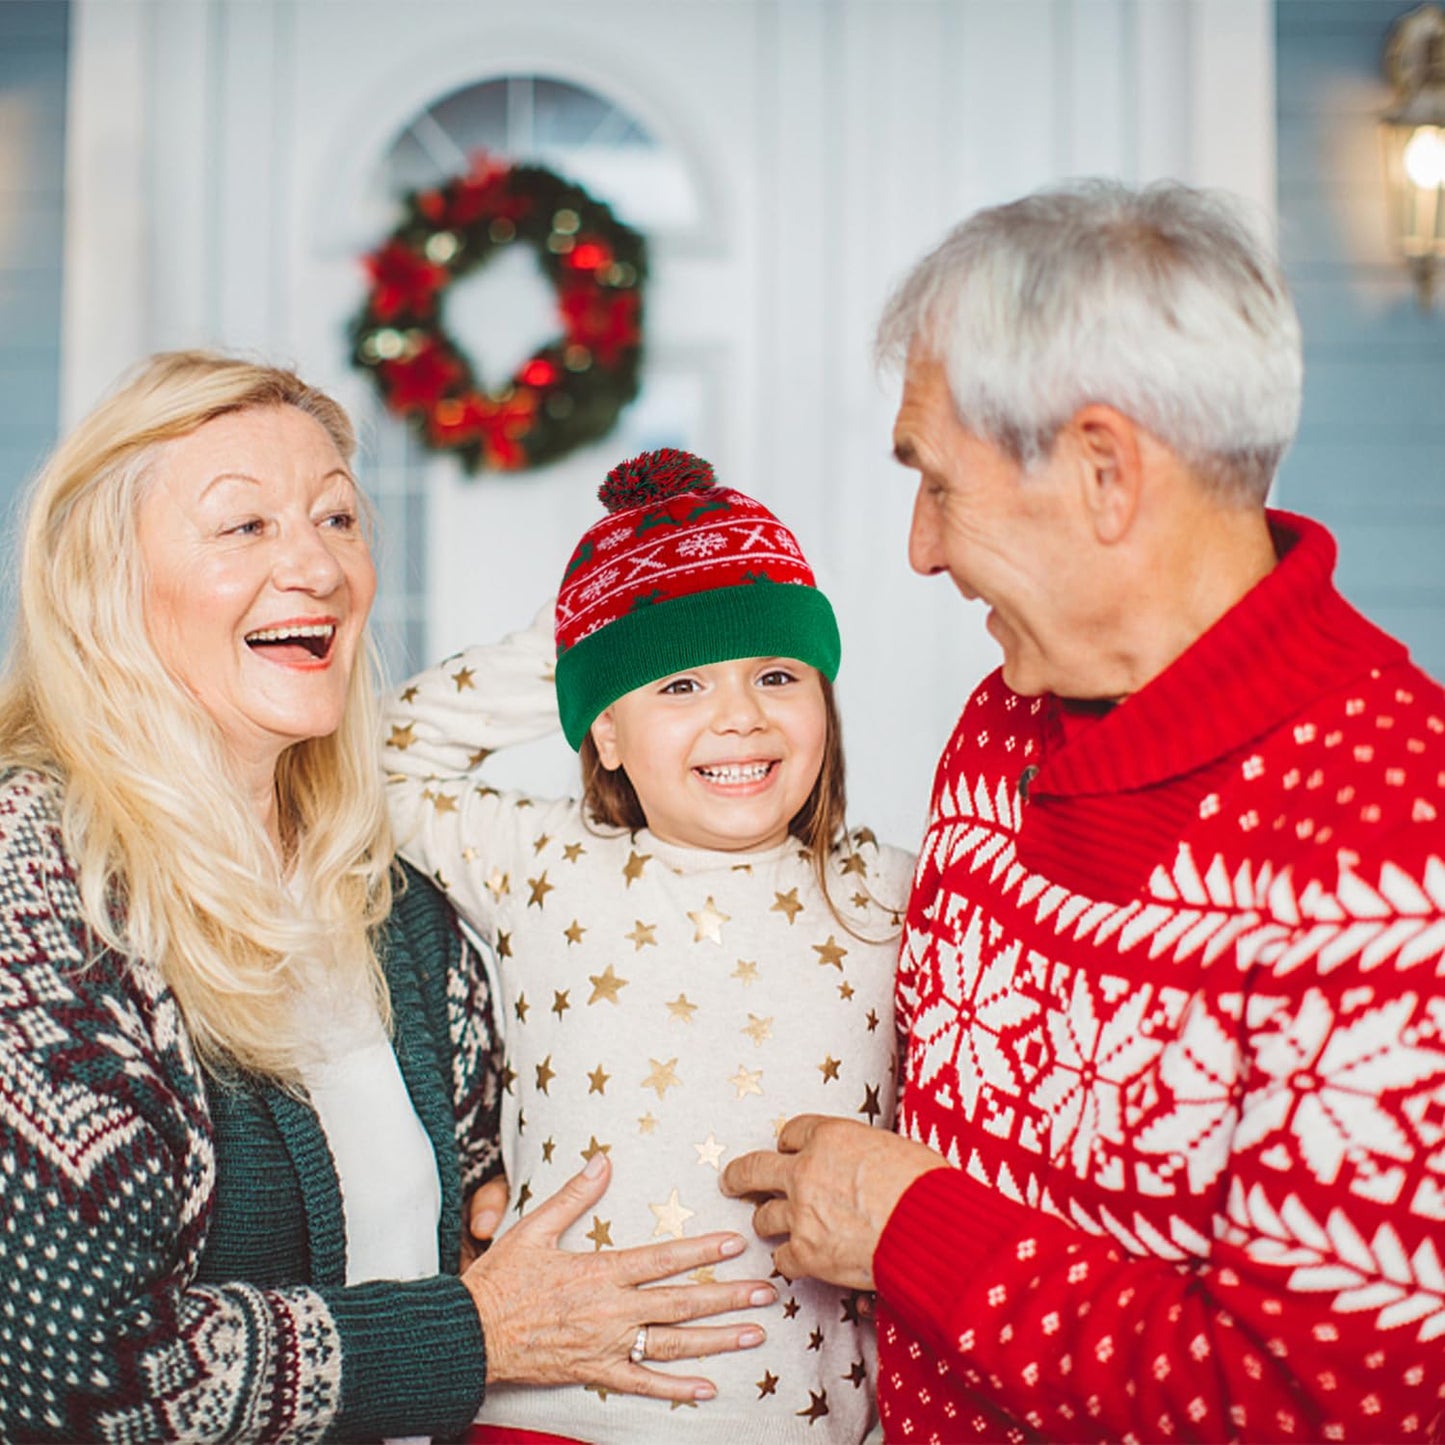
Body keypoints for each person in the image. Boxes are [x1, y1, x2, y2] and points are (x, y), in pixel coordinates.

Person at [721, 180, 1445, 1442]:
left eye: (938, 484)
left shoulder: (1390, 838)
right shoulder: (1005, 719)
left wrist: (911, 1230)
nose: (917, 547)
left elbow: (1315, 1407)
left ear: (1107, 474)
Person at [0, 354, 778, 1443]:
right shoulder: (38, 872)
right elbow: (76, 1371)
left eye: (336, 518)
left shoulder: (383, 886)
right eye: (245, 527)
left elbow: (477, 1199)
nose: (315, 565)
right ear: (102, 582)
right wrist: (469, 1330)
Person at [381, 448, 915, 1443]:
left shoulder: (887, 890)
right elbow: (382, 759)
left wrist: (645, 646)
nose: (740, 714)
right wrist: (579, 640)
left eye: (775, 672)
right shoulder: (546, 860)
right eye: (678, 684)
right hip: (555, 1410)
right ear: (606, 734)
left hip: (811, 1422)